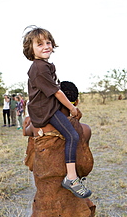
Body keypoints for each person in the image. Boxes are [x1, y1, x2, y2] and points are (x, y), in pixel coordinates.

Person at [23, 81, 95, 217]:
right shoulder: (84, 130)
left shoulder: (38, 128)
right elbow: (85, 165)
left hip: (46, 197)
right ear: (76, 102)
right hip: (71, 199)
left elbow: (27, 131)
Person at [23, 26, 91, 199]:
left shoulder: (44, 66)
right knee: (73, 136)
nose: (46, 46)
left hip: (44, 108)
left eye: (48, 42)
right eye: (39, 44)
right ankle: (72, 178)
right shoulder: (39, 68)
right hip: (47, 111)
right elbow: (57, 92)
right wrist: (72, 108)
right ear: (31, 49)